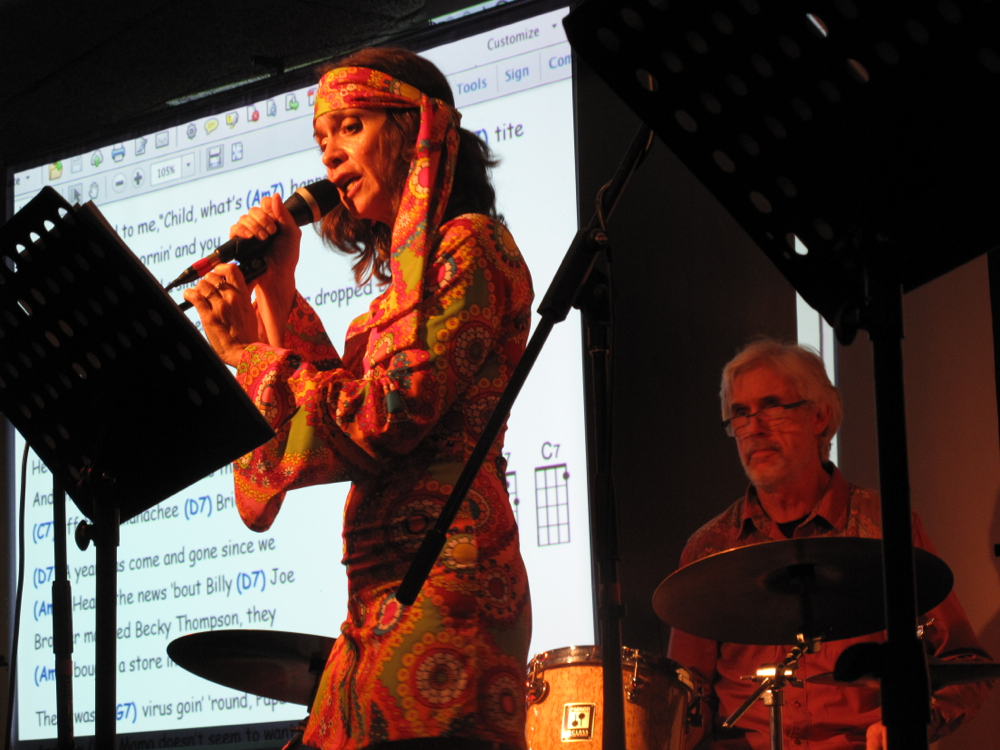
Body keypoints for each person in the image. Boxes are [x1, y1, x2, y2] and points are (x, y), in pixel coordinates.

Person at [184, 48, 533, 750]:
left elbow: (383, 418)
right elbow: (318, 423)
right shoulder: (388, 306)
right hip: (377, 601)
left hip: (448, 583)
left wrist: (247, 354)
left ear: (414, 130)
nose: (330, 155)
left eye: (349, 127)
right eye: (321, 139)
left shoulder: (472, 246)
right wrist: (278, 289)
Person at [666, 339, 992, 750]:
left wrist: (910, 723)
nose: (754, 428)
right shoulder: (711, 547)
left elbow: (965, 665)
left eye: (772, 406)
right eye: (740, 413)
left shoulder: (886, 526)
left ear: (819, 416)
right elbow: (684, 695)